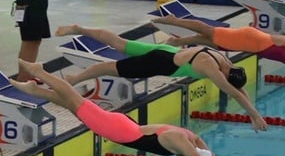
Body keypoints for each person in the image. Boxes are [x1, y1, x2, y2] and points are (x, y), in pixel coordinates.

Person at [11, 59, 253, 156]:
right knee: (74, 99)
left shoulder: (194, 139)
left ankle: (34, 90)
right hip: (118, 130)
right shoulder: (181, 142)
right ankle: (40, 72)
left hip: (124, 124)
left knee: (73, 105)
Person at [56, 24, 268, 132]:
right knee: (108, 68)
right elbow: (233, 91)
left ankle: (78, 29)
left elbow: (238, 89)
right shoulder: (210, 68)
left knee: (119, 43)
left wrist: (254, 111)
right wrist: (254, 116)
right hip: (161, 63)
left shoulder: (223, 59)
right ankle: (74, 79)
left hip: (165, 51)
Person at [154, 16, 285, 99]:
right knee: (208, 32)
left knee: (212, 41)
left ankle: (176, 42)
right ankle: (173, 20)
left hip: (252, 40)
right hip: (250, 40)